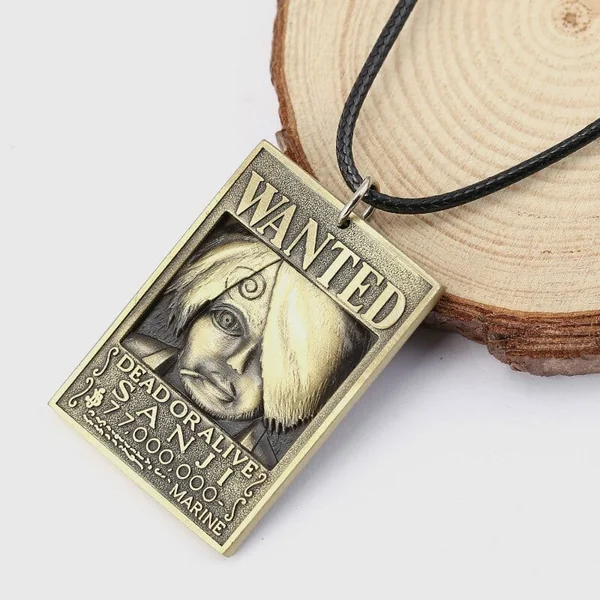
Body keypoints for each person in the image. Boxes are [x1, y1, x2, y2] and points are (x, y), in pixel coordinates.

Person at [123, 224, 369, 468]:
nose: (236, 363)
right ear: (197, 309)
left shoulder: (259, 468)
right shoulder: (127, 356)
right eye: (228, 321)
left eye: (271, 359)